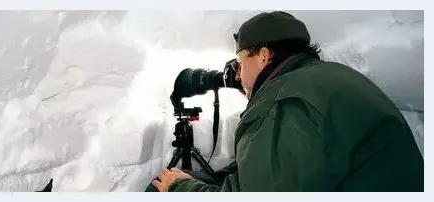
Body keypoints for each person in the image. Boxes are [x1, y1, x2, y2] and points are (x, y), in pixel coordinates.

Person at [147, 11, 424, 192]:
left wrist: (179, 188)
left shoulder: (284, 100)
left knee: (161, 187)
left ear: (264, 56)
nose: (239, 74)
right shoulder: (328, 78)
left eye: (242, 62)